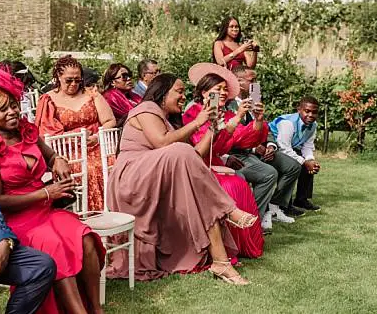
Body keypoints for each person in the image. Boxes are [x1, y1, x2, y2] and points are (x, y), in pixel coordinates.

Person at [105, 71, 259, 284]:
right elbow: (161, 143)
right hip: (131, 178)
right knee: (181, 154)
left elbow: (193, 156)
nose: (184, 96)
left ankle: (221, 263)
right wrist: (197, 122)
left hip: (152, 175)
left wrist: (212, 128)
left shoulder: (167, 120)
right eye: (179, 91)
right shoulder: (145, 109)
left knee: (200, 198)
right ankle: (229, 211)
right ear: (162, 93)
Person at [0, 66, 77, 314]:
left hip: (44, 208)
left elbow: (50, 156)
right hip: (19, 215)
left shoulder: (26, 131)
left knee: (82, 236)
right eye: (2, 109)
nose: (12, 112)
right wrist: (47, 193)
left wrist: (58, 159)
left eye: (13, 105)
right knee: (54, 243)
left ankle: (92, 308)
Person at [182, 65, 267, 259]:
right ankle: (223, 248)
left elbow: (246, 140)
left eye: (224, 89)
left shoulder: (226, 114)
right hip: (197, 166)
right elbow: (204, 145)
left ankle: (243, 244)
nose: (222, 92)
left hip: (218, 164)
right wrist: (233, 120)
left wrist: (258, 121)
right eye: (216, 89)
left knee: (239, 183)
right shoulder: (194, 112)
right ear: (204, 92)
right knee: (231, 185)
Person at [223, 65, 303, 231]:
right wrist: (254, 149)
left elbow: (264, 125)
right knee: (267, 173)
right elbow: (232, 135)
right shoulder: (229, 104)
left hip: (260, 149)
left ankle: (273, 208)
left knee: (293, 166)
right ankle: (253, 217)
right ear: (238, 81)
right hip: (241, 152)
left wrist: (271, 145)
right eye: (251, 80)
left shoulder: (255, 100)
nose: (255, 84)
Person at [35, 56, 116, 214]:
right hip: (67, 152)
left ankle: (113, 214)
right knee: (92, 168)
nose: (74, 84)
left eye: (78, 80)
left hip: (96, 145)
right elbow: (47, 134)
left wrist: (96, 137)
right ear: (58, 77)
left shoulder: (91, 94)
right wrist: (77, 135)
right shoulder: (48, 99)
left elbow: (109, 120)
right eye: (69, 80)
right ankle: (92, 216)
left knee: (114, 164)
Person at [269, 97, 322, 218]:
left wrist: (310, 159)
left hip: (289, 148)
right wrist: (304, 161)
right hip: (273, 148)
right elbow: (284, 148)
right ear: (299, 109)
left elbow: (307, 146)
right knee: (296, 164)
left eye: (314, 112)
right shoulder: (288, 123)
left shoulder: (313, 125)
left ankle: (301, 199)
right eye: (307, 111)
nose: (310, 115)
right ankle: (283, 204)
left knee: (310, 164)